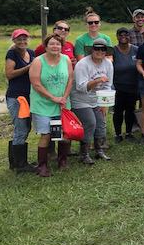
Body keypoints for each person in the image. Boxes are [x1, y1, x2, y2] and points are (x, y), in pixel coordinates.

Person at [29, 34, 73, 177]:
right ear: (45, 47)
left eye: (58, 44)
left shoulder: (66, 59)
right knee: (46, 134)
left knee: (64, 133)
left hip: (62, 103)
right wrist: (54, 98)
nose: (55, 46)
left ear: (62, 46)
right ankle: (42, 166)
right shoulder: (38, 61)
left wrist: (64, 98)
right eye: (52, 44)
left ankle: (63, 161)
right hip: (43, 104)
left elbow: (70, 79)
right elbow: (36, 83)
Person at [71, 38, 114, 164]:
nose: (99, 51)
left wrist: (104, 103)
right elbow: (81, 87)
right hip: (80, 99)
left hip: (97, 99)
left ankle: (99, 150)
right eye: (97, 49)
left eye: (103, 49)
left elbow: (108, 84)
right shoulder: (83, 64)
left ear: (106, 51)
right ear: (92, 50)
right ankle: (84, 154)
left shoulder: (108, 64)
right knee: (90, 122)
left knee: (101, 123)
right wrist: (97, 80)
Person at [6, 29, 36, 173]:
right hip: (16, 97)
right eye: (19, 39)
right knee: (21, 128)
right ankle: (21, 165)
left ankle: (15, 162)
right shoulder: (12, 54)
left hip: (29, 95)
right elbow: (9, 74)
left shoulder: (31, 53)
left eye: (25, 39)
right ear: (14, 40)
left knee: (26, 127)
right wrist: (28, 67)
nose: (22, 41)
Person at [112, 27, 139, 142]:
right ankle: (118, 134)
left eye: (126, 34)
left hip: (132, 86)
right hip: (118, 86)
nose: (123, 37)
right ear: (117, 36)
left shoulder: (136, 50)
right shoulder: (113, 51)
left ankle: (129, 132)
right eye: (120, 34)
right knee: (118, 111)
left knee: (130, 110)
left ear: (130, 36)